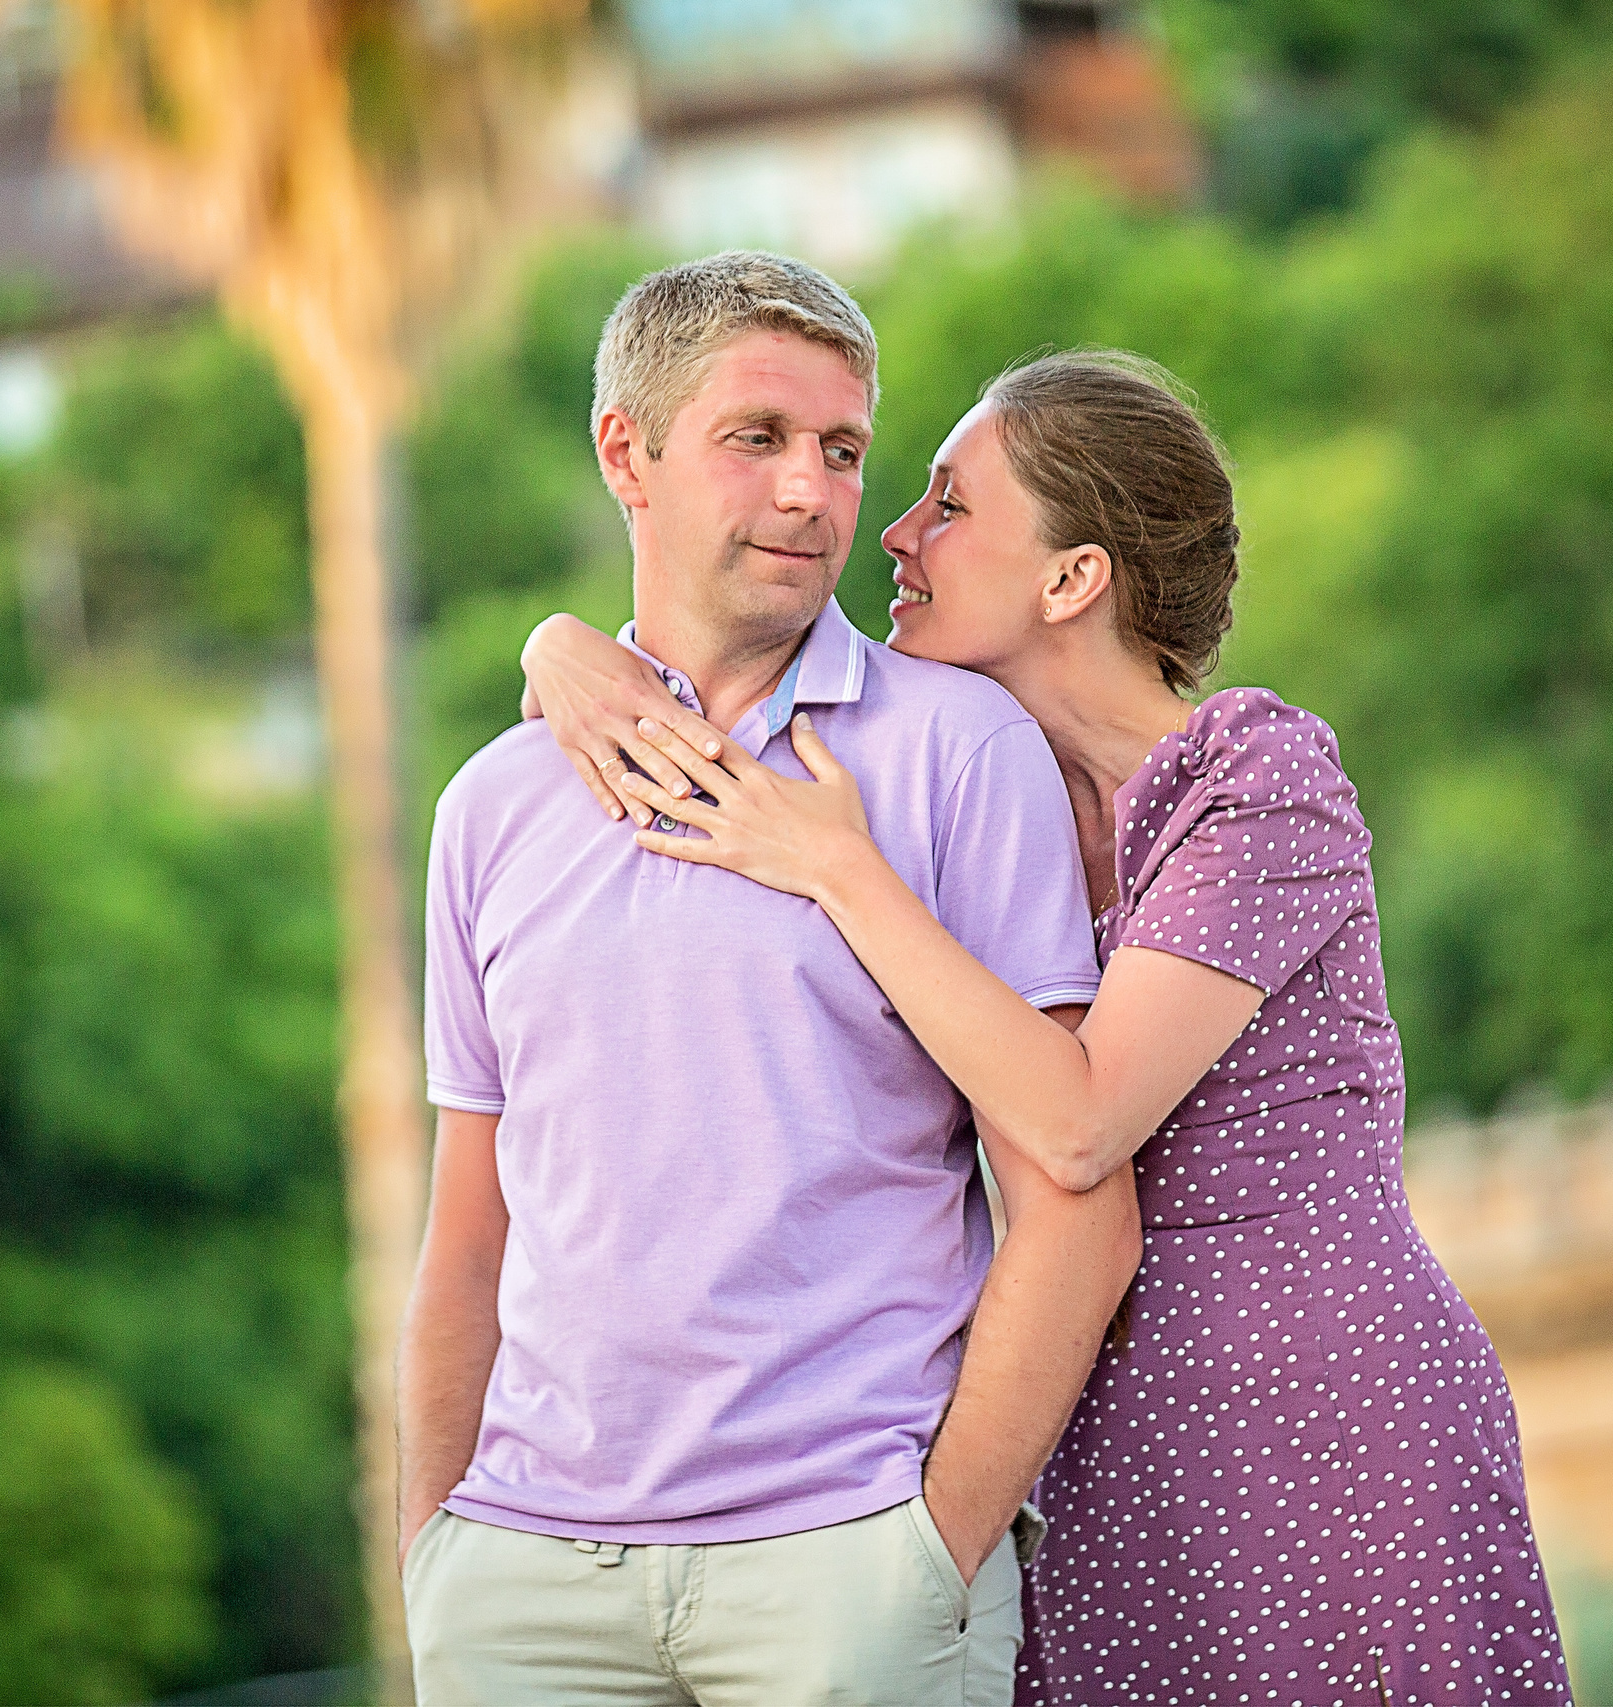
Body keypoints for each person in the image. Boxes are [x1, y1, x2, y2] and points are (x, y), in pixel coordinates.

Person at [519, 351, 1573, 1705]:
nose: (892, 534)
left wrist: (839, 869)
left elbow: (1079, 1119)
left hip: (1324, 1418)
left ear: (1073, 579)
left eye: (949, 508)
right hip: (1088, 1448)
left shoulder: (1257, 781)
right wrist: (553, 649)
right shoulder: (959, 801)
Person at [397, 254, 1143, 1707]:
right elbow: (469, 1228)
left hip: (848, 1577)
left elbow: (1070, 1187)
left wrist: (936, 1547)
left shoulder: (957, 753)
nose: (813, 492)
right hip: (528, 1587)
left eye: (844, 451)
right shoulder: (491, 807)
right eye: (758, 439)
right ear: (629, 452)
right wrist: (441, 1558)